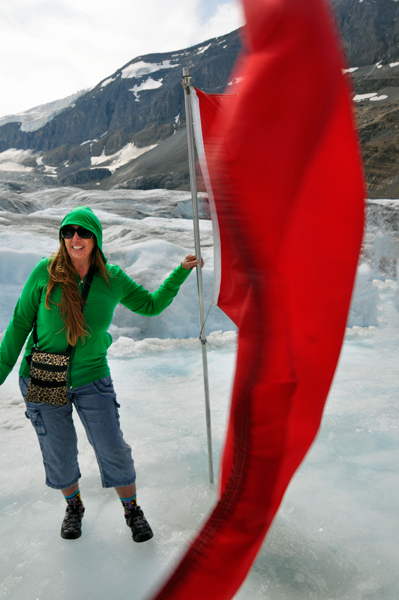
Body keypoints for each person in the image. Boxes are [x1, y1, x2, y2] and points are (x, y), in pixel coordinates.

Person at [0, 205, 201, 543]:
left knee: (113, 448)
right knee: (59, 452)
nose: (75, 238)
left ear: (96, 238)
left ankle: (132, 509)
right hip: (45, 372)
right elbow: (20, 325)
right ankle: (74, 506)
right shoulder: (44, 273)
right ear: (62, 237)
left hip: (92, 376)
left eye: (83, 232)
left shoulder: (112, 278)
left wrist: (180, 272)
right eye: (68, 232)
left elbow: (150, 305)